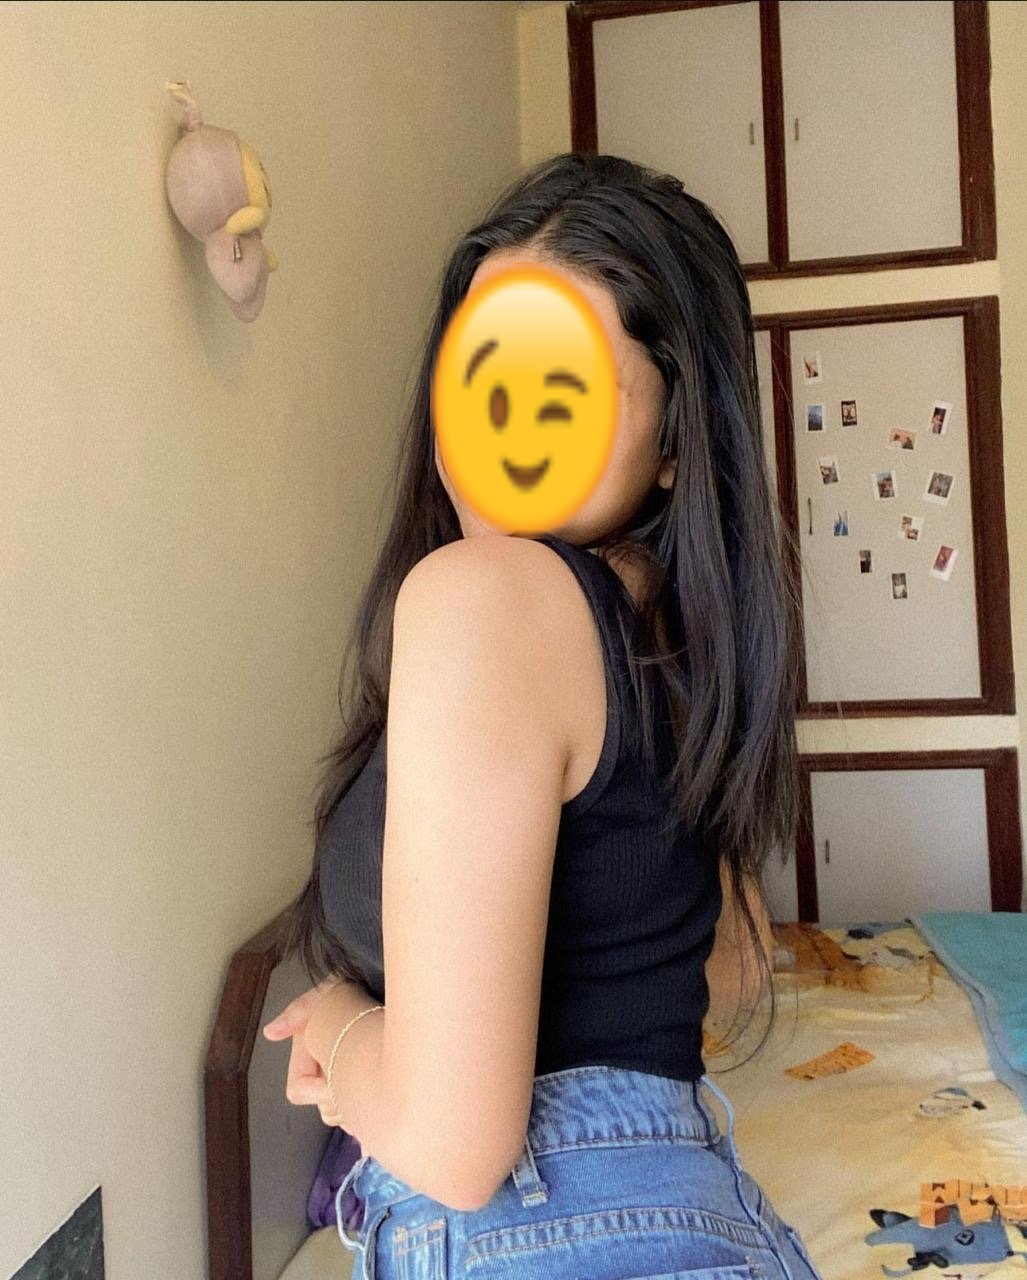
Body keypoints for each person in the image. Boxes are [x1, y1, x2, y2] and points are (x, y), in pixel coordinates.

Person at [263, 152, 819, 1280]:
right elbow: (732, 961)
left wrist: (342, 1029)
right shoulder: (675, 642)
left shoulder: (483, 600)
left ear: (677, 440)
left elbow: (455, 1148)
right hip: (694, 1204)